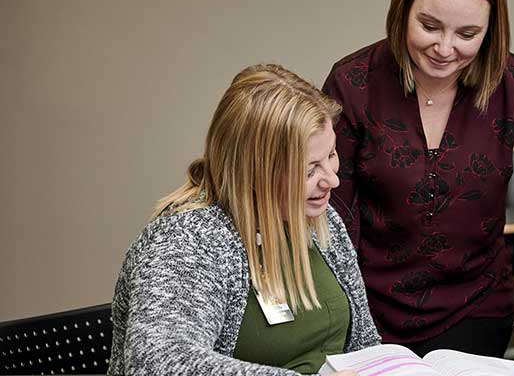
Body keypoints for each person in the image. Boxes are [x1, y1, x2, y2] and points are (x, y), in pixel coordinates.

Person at [323, 0, 514, 357]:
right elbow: (331, 217)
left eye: (467, 34)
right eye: (429, 26)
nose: (444, 48)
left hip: (475, 309)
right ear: (402, 11)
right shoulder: (353, 83)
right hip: (366, 308)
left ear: (490, 30)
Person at [108, 64, 380, 376]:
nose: (332, 180)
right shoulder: (186, 241)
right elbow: (157, 364)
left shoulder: (320, 219)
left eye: (331, 155)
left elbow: (364, 346)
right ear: (253, 173)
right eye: (309, 170)